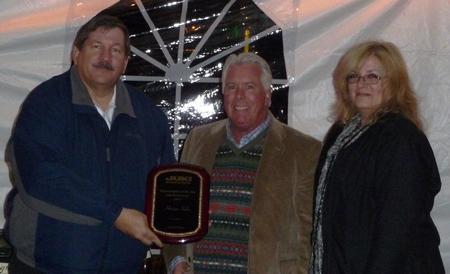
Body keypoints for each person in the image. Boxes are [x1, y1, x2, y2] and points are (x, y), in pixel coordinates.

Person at [3, 14, 174, 273]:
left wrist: (178, 236)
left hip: (123, 267)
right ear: (76, 53)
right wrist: (115, 214)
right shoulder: (45, 103)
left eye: (115, 50)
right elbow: (38, 176)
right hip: (47, 265)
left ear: (125, 62)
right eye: (96, 46)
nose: (106, 57)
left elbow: (165, 183)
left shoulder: (149, 116)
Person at [163, 52, 322, 274]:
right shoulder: (197, 139)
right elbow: (175, 214)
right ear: (222, 93)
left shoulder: (304, 151)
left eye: (249, 87)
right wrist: (177, 259)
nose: (239, 96)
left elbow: (310, 234)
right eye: (231, 87)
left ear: (267, 95)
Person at [309, 40, 445, 274]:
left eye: (373, 76)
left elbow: (397, 229)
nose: (361, 83)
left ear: (394, 83)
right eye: (353, 76)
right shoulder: (341, 133)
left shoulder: (400, 139)